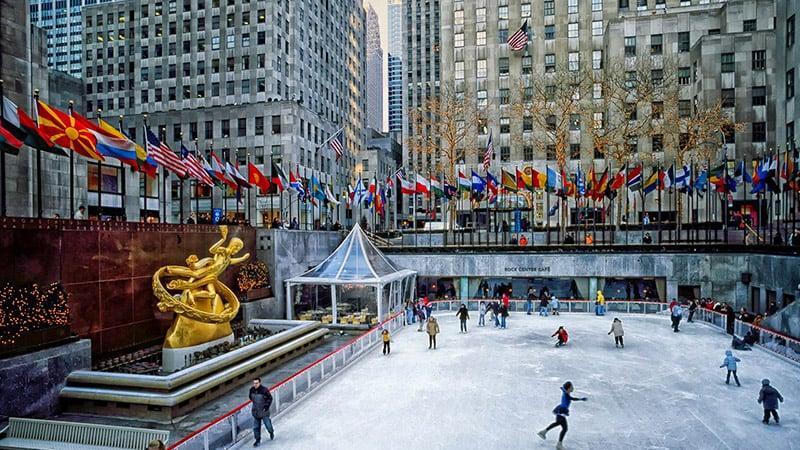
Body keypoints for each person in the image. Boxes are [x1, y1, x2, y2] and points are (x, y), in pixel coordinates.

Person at [537, 381, 588, 450]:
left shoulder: (566, 393)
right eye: (572, 387)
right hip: (561, 410)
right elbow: (572, 399)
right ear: (569, 388)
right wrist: (580, 399)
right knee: (563, 427)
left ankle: (545, 433)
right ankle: (556, 443)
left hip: (561, 410)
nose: (573, 388)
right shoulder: (566, 394)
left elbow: (565, 392)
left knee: (561, 426)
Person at [249, 377, 274, 446]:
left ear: (259, 383)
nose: (255, 385)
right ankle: (257, 440)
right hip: (256, 412)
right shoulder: (252, 390)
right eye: (254, 383)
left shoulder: (264, 390)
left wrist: (266, 407)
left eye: (256, 383)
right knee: (256, 427)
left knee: (268, 426)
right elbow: (250, 398)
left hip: (264, 412)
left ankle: (271, 432)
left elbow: (270, 398)